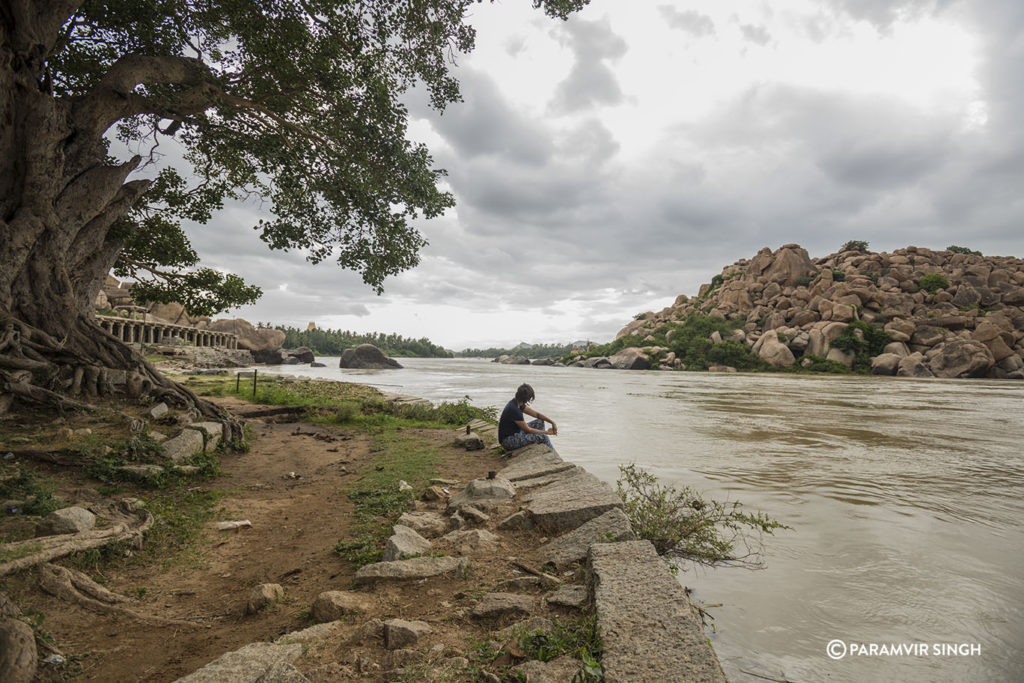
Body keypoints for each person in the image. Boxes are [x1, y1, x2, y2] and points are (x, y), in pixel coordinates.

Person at [498, 383, 557, 451]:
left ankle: (539, 444)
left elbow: (537, 415)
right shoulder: (514, 410)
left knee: (539, 421)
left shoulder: (516, 402)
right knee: (543, 437)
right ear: (527, 399)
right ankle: (551, 451)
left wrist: (552, 422)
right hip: (508, 441)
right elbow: (528, 430)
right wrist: (547, 432)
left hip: (516, 433)